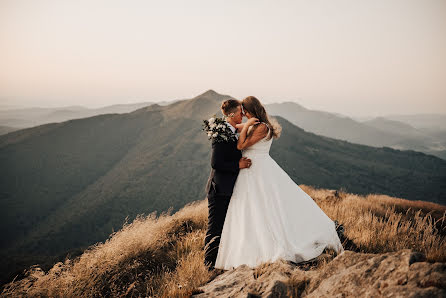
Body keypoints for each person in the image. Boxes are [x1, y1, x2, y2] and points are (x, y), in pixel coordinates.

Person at [214, 96, 344, 270]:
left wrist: (246, 125)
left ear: (251, 109)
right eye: (241, 111)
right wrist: (220, 126)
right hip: (248, 171)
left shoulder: (261, 127)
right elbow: (231, 125)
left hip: (259, 169)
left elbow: (241, 145)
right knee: (250, 209)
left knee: (269, 207)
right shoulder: (252, 124)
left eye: (244, 110)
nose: (243, 114)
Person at [204, 99, 252, 269]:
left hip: (228, 188)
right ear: (231, 114)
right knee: (215, 228)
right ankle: (208, 265)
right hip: (219, 189)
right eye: (240, 112)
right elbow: (215, 163)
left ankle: (220, 261)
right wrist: (237, 165)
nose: (243, 115)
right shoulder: (221, 133)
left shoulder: (230, 130)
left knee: (225, 227)